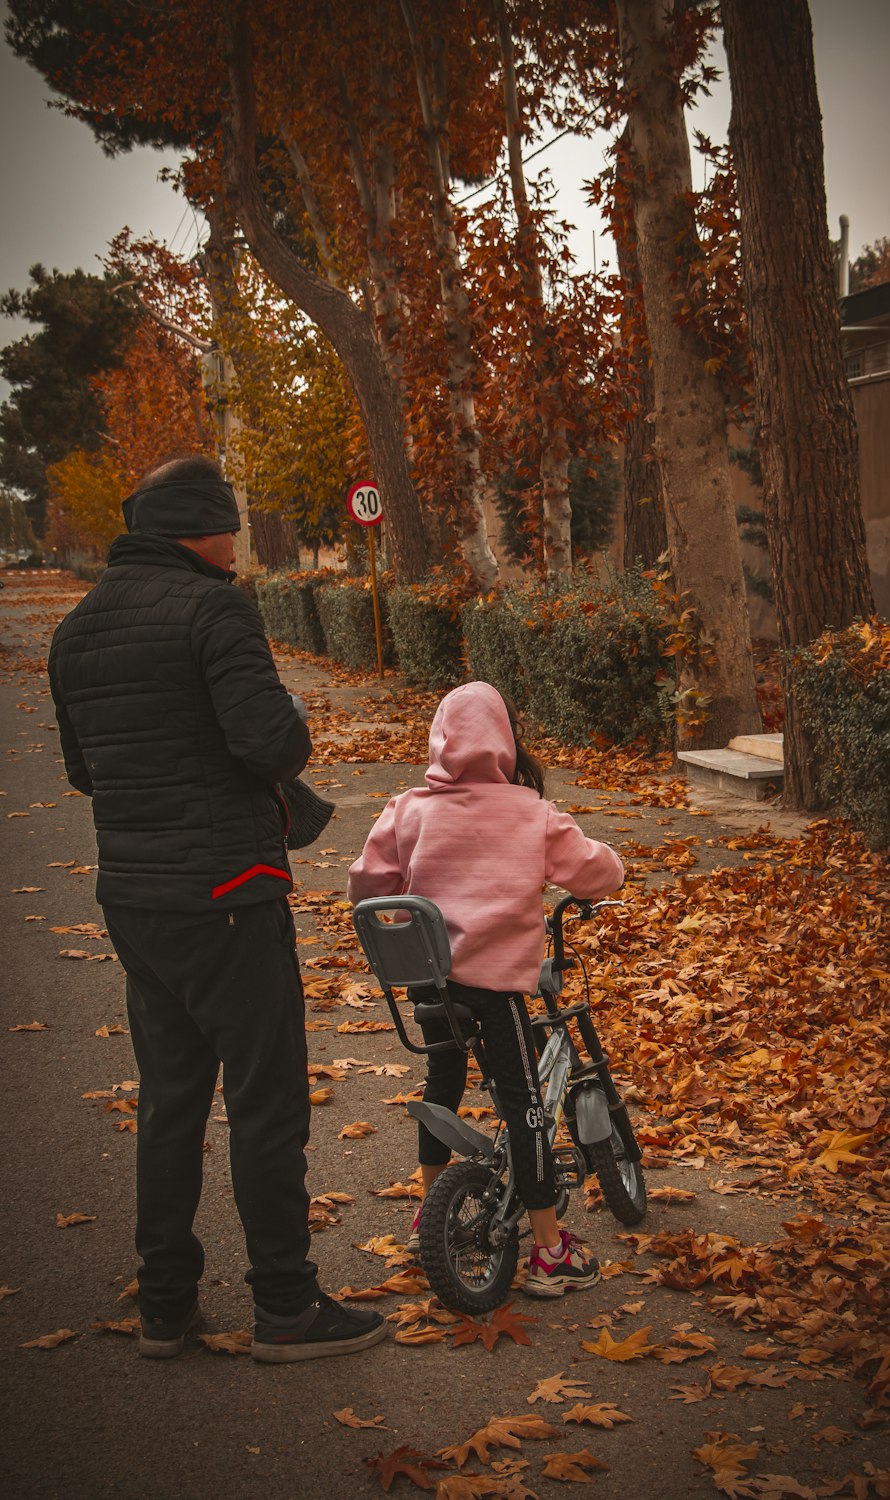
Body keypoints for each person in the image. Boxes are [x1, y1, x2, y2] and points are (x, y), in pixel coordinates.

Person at [48, 453, 386, 1363]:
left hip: (135, 899)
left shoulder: (77, 629)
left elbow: (85, 770)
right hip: (229, 896)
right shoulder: (216, 607)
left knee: (169, 1103)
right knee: (267, 1103)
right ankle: (284, 1305)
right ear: (199, 530)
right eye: (229, 526)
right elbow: (270, 740)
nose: (237, 542)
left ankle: (165, 1303)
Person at [348, 681, 625, 1296]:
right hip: (496, 990)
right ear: (504, 739)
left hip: (430, 984)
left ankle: (429, 1211)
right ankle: (550, 1250)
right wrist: (614, 865)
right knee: (524, 1106)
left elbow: (367, 886)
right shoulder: (530, 812)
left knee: (443, 1081)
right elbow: (593, 870)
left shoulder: (407, 810)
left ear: (441, 737)